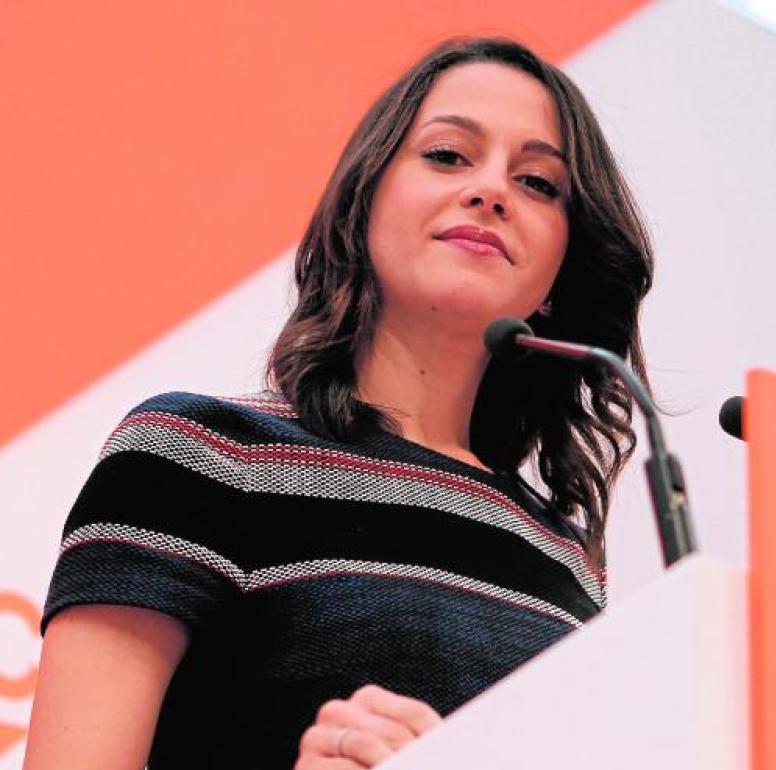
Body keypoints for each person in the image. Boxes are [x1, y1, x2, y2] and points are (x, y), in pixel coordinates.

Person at [24, 37, 653, 770]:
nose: (491, 192)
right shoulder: (199, 454)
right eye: (447, 155)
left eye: (539, 183)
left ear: (559, 271)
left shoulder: (565, 559)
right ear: (364, 203)